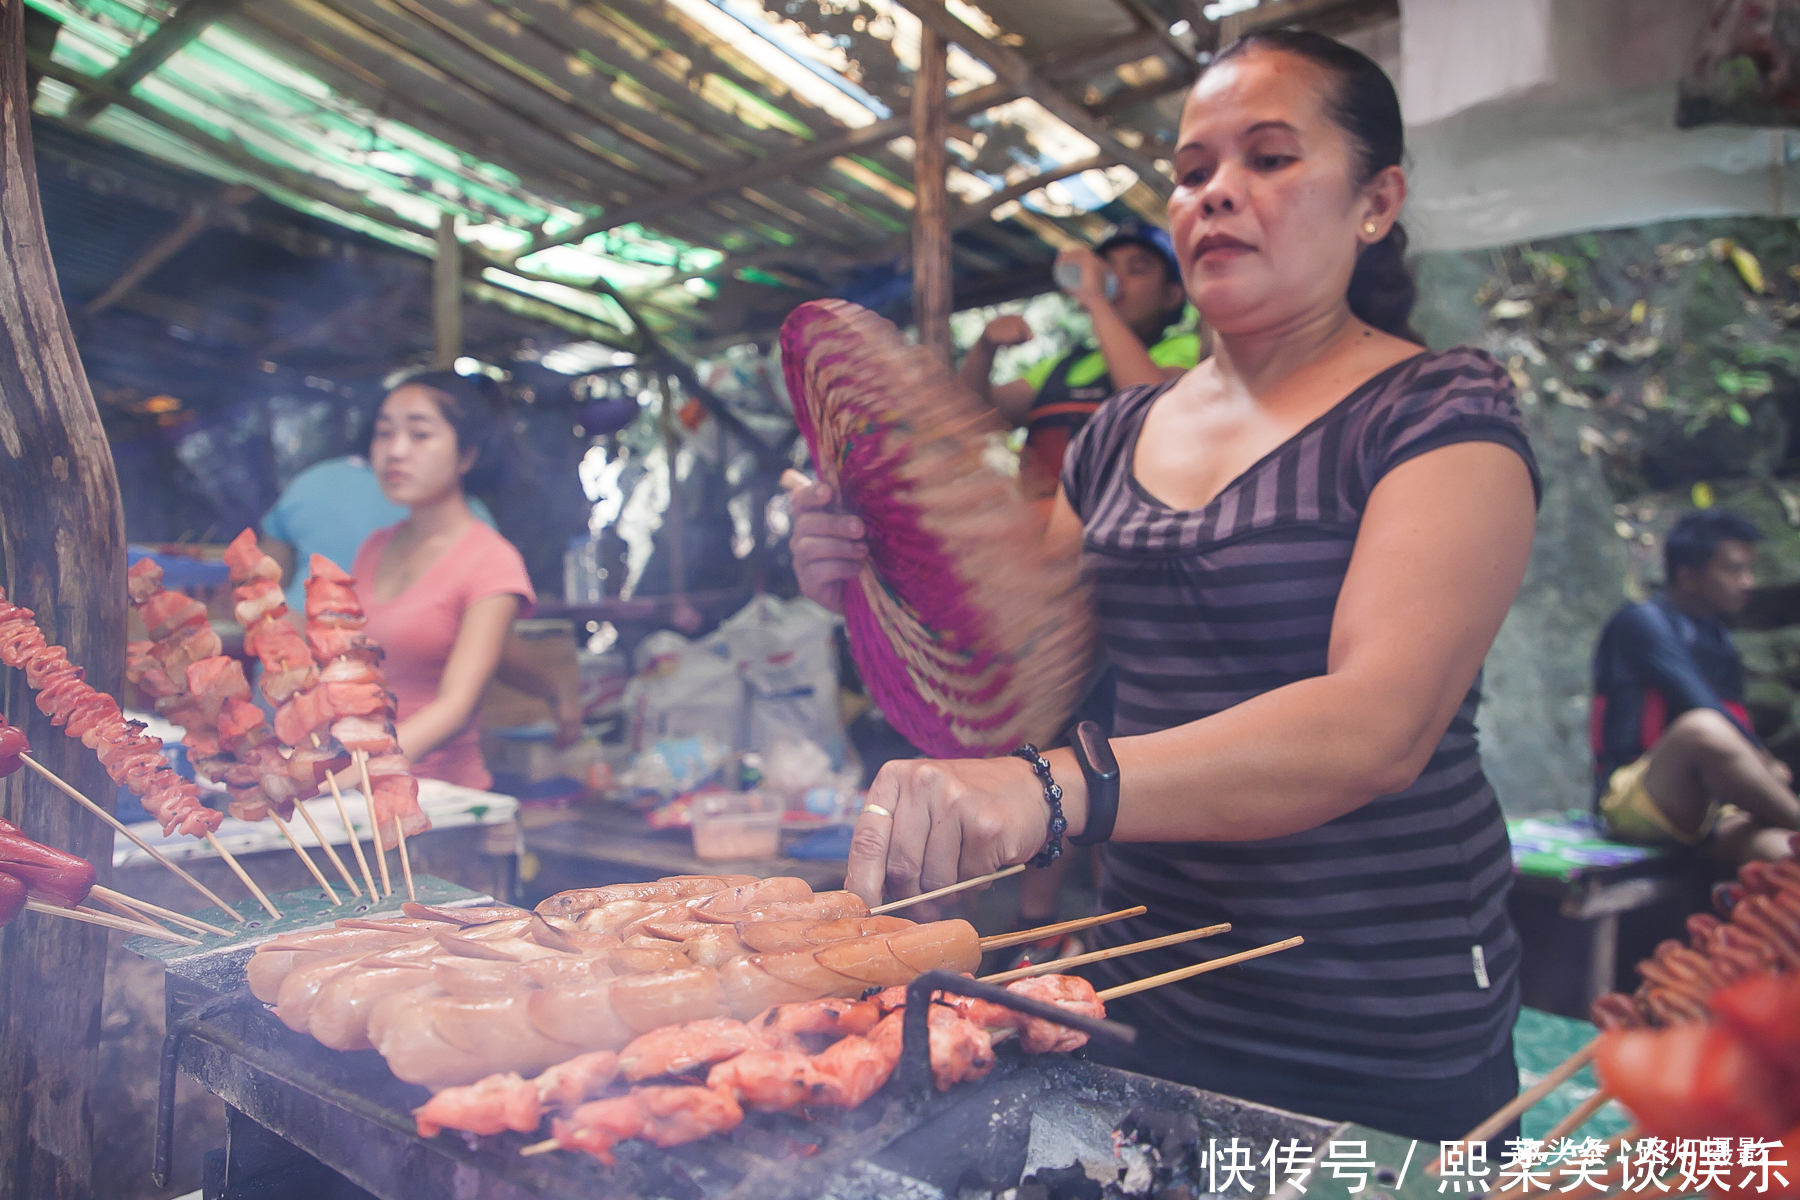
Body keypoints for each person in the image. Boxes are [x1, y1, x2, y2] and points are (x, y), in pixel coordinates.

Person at [790, 30, 1539, 1144]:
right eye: (1193, 173)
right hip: (1151, 990)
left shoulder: (1438, 412)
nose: (1216, 196)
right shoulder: (1116, 434)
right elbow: (1014, 678)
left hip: (1383, 1022)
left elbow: (1377, 725)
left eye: (1270, 160)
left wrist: (1049, 790)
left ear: (1377, 200)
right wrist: (862, 576)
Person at [350, 370, 538, 790]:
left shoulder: (492, 562)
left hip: (437, 797)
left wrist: (360, 770)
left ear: (467, 455)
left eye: (419, 435)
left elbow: (457, 705)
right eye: (384, 433)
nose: (395, 451)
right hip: (357, 797)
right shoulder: (374, 547)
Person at [1592, 509, 1799, 862]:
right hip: (1638, 796)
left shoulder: (1718, 638)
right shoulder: (1641, 622)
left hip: (1712, 809)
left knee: (1783, 853)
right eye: (1734, 569)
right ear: (1688, 577)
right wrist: (1763, 761)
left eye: (1749, 569)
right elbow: (1698, 703)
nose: (1748, 582)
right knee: (1701, 730)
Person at [960, 221, 1199, 501]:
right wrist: (984, 348)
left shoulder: (1185, 349)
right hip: (1044, 538)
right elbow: (968, 418)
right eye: (1107, 270)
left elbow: (1151, 409)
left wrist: (1096, 300)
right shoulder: (1067, 365)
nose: (1115, 279)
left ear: (1171, 295)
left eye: (1136, 269)